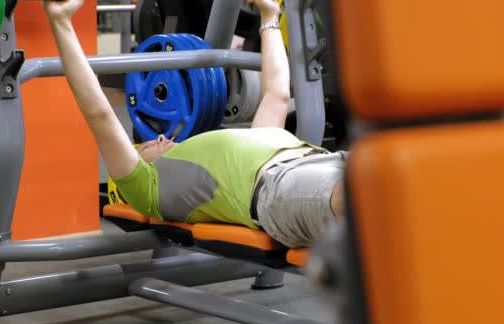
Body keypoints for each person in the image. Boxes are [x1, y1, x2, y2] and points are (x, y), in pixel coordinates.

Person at [43, 0, 346, 248]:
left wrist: (268, 15)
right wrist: (61, 23)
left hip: (322, 159)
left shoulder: (255, 140)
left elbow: (277, 93)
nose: (158, 138)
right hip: (278, 189)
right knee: (363, 200)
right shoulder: (147, 189)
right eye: (146, 146)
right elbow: (100, 115)